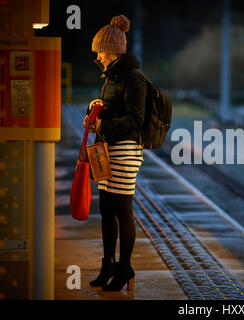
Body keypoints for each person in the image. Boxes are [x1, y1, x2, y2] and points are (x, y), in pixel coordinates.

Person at [83, 14, 147, 291]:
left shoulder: (134, 78)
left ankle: (125, 268)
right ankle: (107, 265)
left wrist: (102, 123)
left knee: (122, 209)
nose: (98, 56)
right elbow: (114, 109)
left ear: (111, 50)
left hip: (126, 151)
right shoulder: (111, 77)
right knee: (106, 209)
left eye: (100, 50)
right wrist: (97, 107)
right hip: (108, 149)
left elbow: (135, 120)